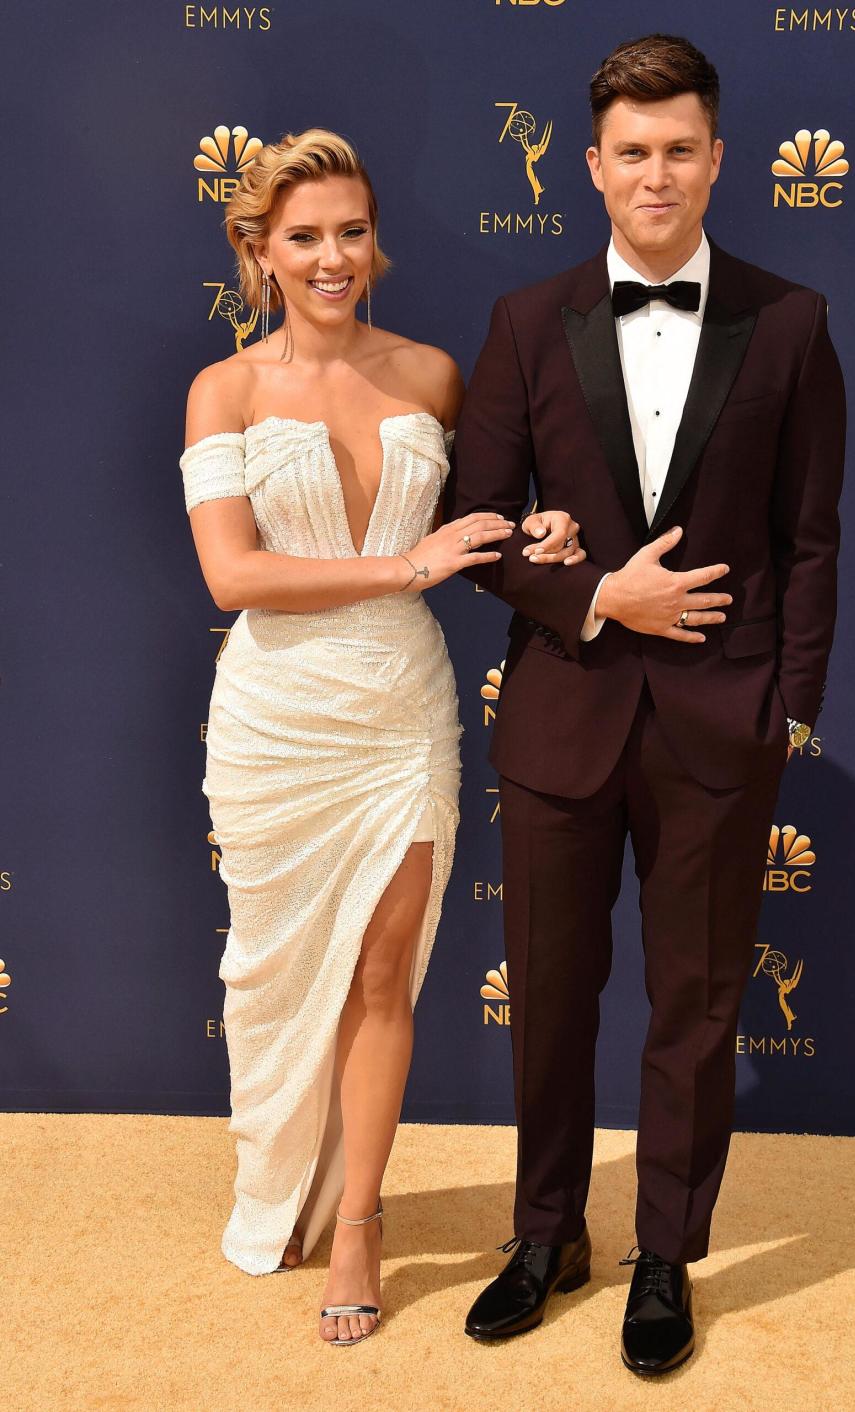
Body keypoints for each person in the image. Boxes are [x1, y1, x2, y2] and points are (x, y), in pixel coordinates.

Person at [448, 34, 845, 1375]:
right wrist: (597, 599)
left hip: (719, 733)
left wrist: (788, 711)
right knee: (551, 994)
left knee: (696, 1008)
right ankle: (546, 1234)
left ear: (719, 159)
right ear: (592, 164)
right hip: (562, 714)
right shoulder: (522, 320)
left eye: (682, 148)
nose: (657, 173)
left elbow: (812, 537)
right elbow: (476, 527)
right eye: (634, 150)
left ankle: (664, 1256)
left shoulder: (790, 323)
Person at [178, 128, 582, 1347]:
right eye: (304, 235)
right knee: (273, 973)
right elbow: (231, 573)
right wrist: (406, 562)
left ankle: (360, 1217)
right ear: (258, 250)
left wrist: (542, 533)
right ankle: (286, 1176)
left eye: (351, 230)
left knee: (380, 969)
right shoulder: (225, 389)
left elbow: (487, 526)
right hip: (275, 720)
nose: (333, 255)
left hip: (400, 716)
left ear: (375, 239)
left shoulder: (436, 376)